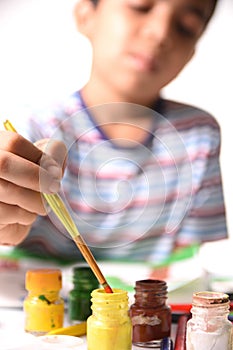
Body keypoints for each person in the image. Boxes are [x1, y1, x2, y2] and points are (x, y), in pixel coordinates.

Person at [0, 0, 228, 264]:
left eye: (186, 27)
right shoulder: (33, 126)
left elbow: (192, 267)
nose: (161, 33)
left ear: (192, 53)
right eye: (140, 6)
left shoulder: (198, 135)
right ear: (85, 14)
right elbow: (9, 232)